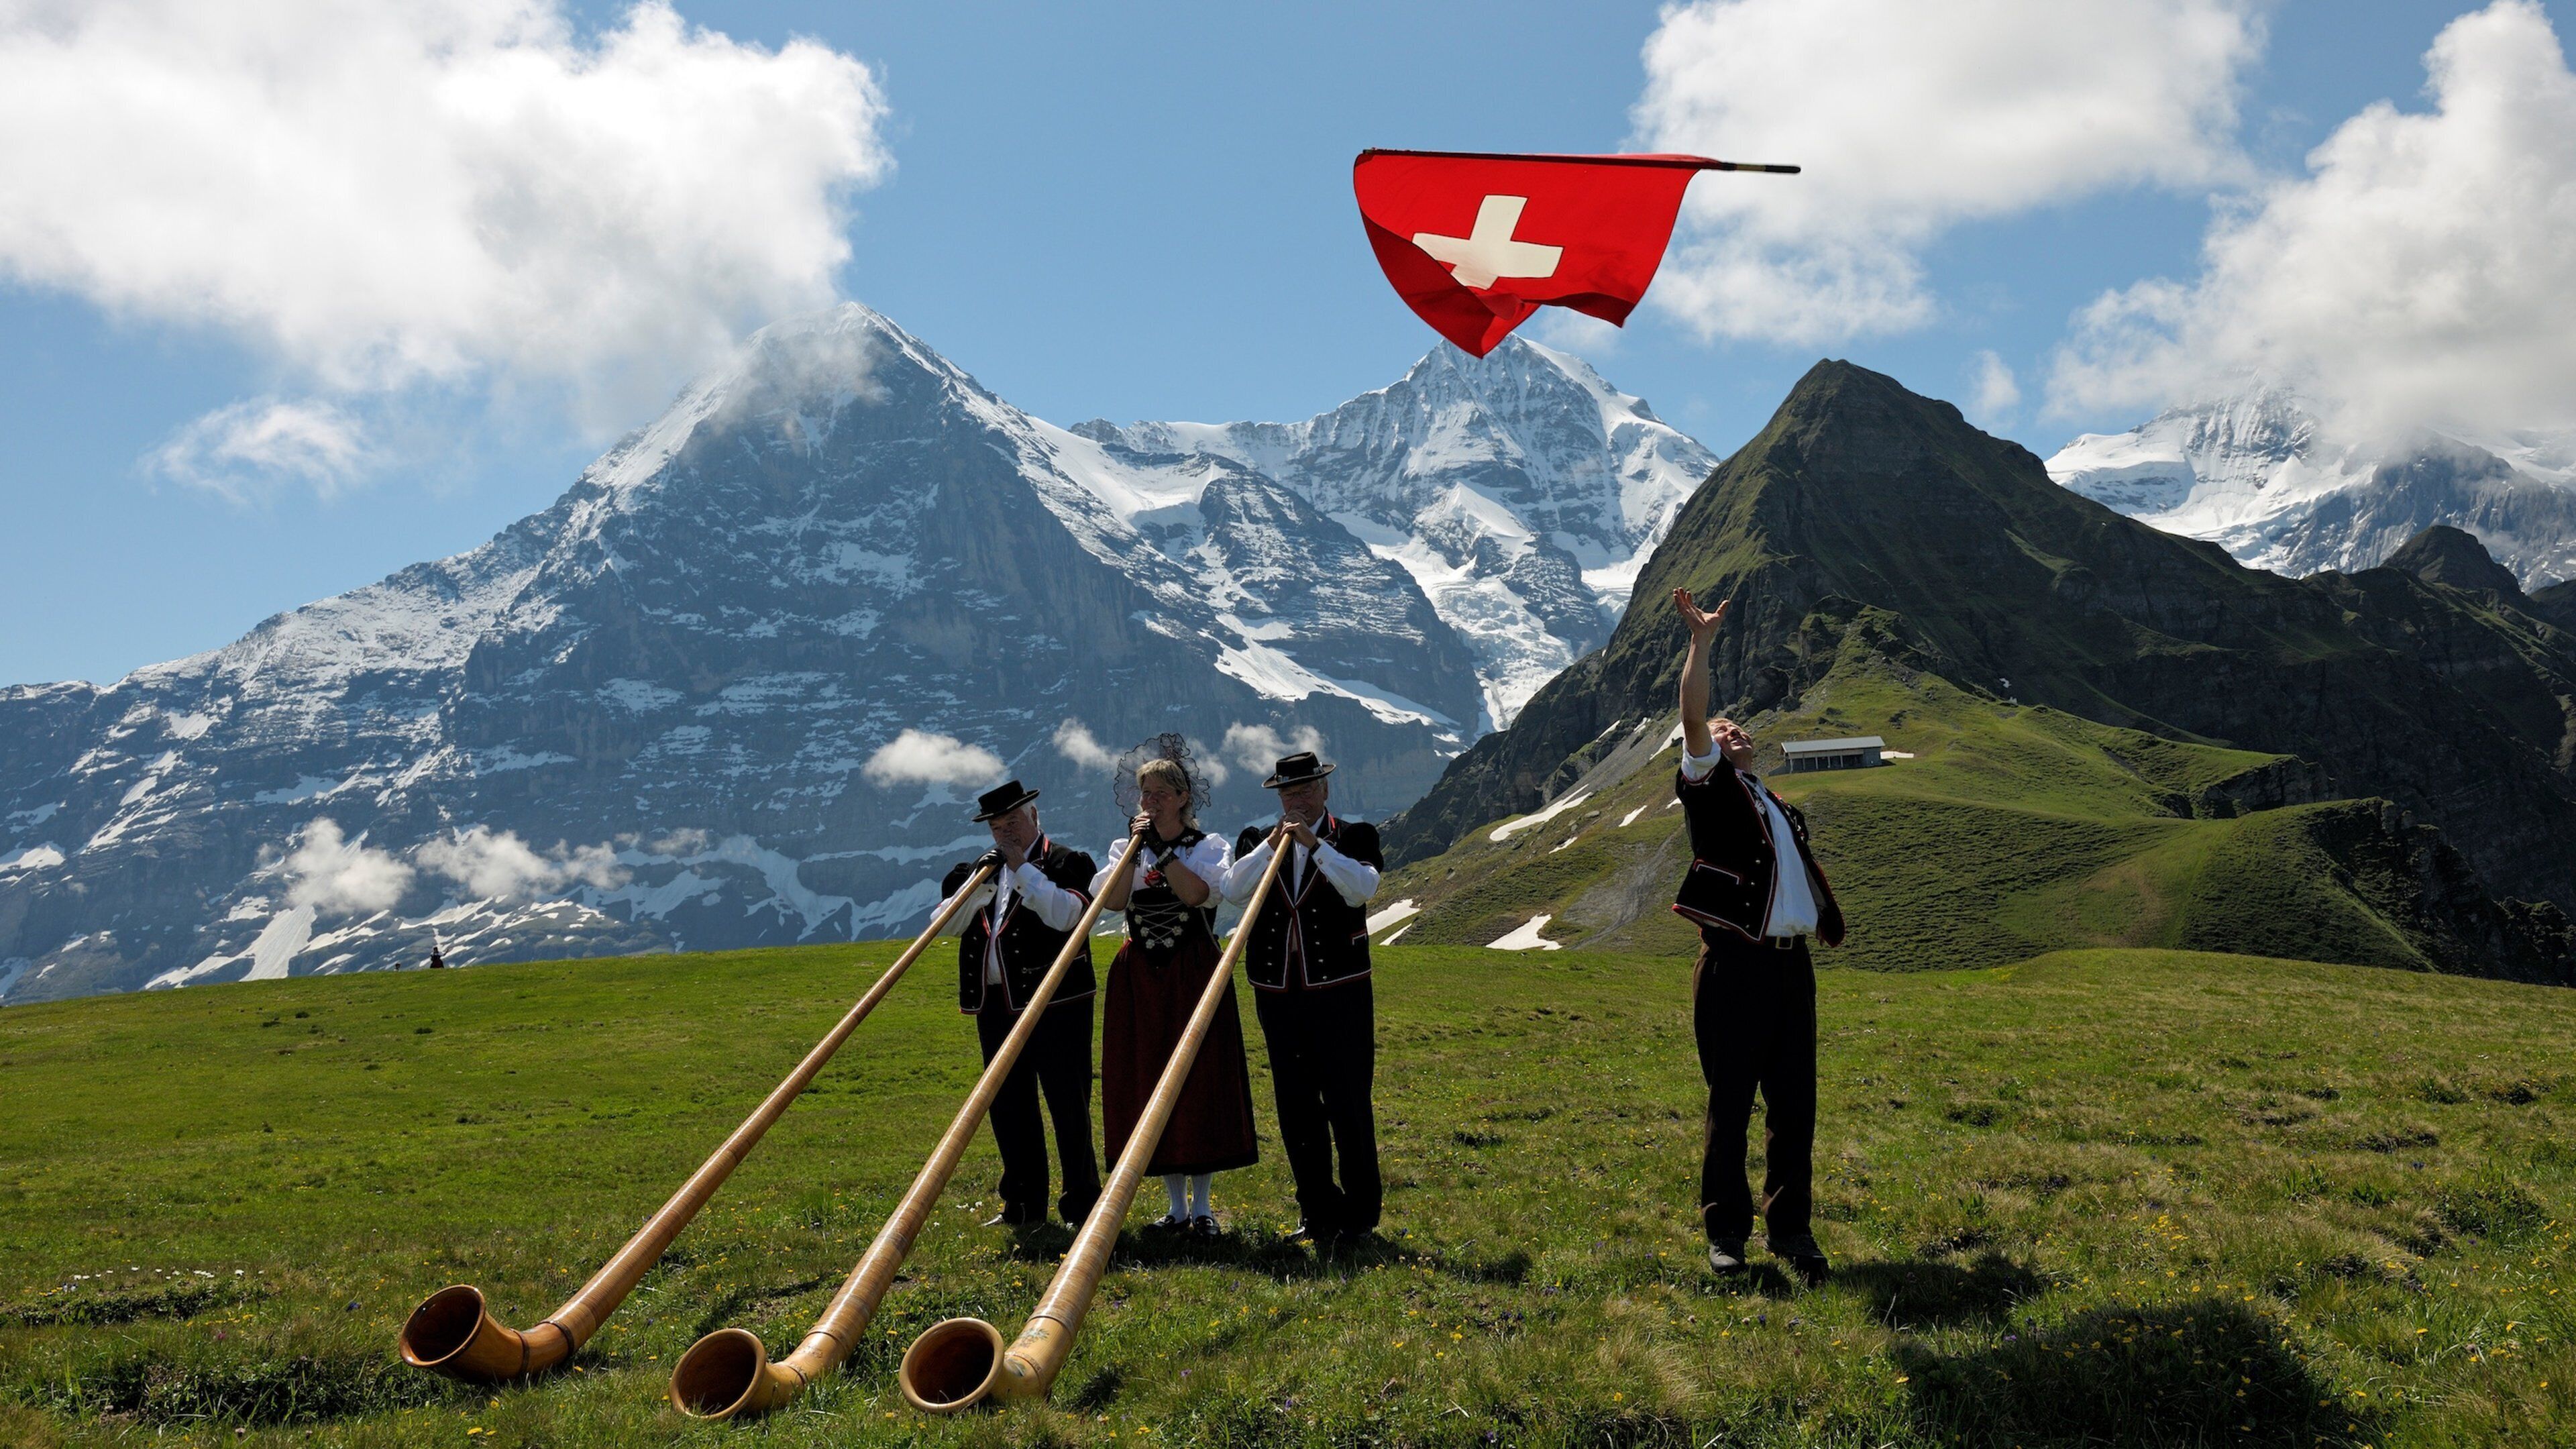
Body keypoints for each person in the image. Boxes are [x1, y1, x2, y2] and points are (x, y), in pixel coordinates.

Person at [1667, 588, 1847, 1285]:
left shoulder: (1773, 800)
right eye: (1723, 730)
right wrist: (1701, 645)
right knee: (1733, 1101)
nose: (1732, 734)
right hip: (1735, 966)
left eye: (1740, 730)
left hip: (1789, 967)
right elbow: (1691, 714)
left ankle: (1792, 1230)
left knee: (1795, 1103)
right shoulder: (1706, 785)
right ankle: (1726, 1235)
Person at [1222, 749, 1383, 1244]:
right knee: (1296, 1107)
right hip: (1279, 993)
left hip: (1340, 993)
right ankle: (1316, 1210)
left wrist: (1317, 847)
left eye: (1306, 791)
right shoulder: (1256, 840)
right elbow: (1231, 889)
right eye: (1288, 793)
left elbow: (1363, 890)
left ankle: (1358, 1215)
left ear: (1325, 791)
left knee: (1348, 1102)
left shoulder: (1354, 836)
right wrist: (1271, 847)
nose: (1296, 801)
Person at [1092, 755, 1259, 1235]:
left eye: (1161, 793)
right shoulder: (1126, 847)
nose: (1151, 802)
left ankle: (1203, 1206)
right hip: (1141, 972)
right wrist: (1136, 849)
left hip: (1192, 967)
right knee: (1148, 1074)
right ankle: (1175, 1207)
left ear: (1184, 798)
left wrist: (1163, 854)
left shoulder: (1208, 846)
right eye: (1145, 794)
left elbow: (1196, 895)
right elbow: (1116, 900)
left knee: (1199, 1077)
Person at [938, 780, 1102, 1228]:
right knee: (1008, 1105)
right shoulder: (981, 871)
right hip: (996, 1006)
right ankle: (1023, 1205)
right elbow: (945, 925)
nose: (1003, 832)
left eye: (1011, 821)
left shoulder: (1068, 862)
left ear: (1033, 816)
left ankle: (1082, 1207)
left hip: (1057, 1004)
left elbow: (1069, 917)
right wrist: (980, 887)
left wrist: (1023, 871)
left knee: (1068, 1105)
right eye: (996, 825)